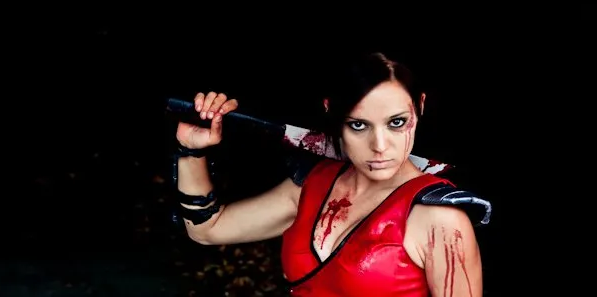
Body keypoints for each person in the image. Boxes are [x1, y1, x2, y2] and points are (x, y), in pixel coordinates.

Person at [174, 52, 486, 297]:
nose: (380, 146)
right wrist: (191, 150)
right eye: (358, 125)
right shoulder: (315, 184)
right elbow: (207, 230)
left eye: (396, 123)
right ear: (332, 113)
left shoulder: (439, 219)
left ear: (420, 108)